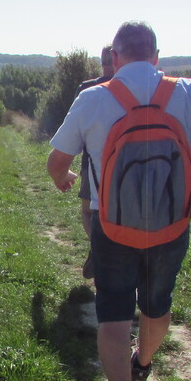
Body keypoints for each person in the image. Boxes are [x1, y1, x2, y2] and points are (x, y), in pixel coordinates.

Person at [47, 21, 191, 381]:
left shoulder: (94, 98)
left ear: (114, 59)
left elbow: (57, 160)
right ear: (156, 57)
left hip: (111, 227)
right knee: (156, 306)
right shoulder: (188, 92)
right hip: (172, 225)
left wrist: (64, 180)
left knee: (113, 316)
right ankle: (144, 363)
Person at [74, 44, 114, 278]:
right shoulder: (137, 87)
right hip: (128, 160)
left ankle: (98, 248)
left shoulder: (88, 88)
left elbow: (76, 126)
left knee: (89, 210)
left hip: (92, 161)